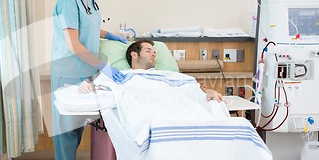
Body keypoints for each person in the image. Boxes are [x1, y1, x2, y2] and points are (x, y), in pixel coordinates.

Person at [51, 0, 126, 160]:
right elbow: (73, 44)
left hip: (86, 69)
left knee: (77, 126)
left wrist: (111, 35)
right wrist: (104, 66)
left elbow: (91, 26)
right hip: (69, 69)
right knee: (65, 129)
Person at [79, 39, 224, 102]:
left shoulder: (165, 74)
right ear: (134, 55)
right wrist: (87, 86)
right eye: (148, 50)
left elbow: (189, 86)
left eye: (154, 52)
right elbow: (101, 88)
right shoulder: (123, 76)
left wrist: (208, 92)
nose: (154, 54)